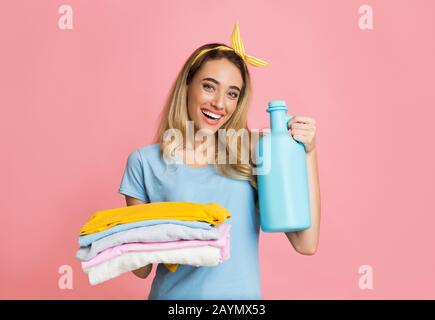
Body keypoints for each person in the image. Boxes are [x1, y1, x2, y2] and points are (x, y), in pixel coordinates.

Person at [118, 23, 321, 300]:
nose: (219, 103)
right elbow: (141, 269)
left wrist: (308, 153)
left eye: (232, 93)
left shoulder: (253, 155)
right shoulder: (145, 162)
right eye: (209, 87)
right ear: (187, 85)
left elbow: (305, 243)